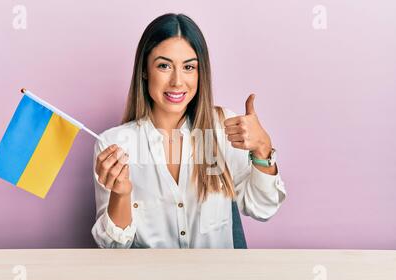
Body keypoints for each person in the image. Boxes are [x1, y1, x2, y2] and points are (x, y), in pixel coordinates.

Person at [91, 13, 286, 248]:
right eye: (164, 66)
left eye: (189, 67)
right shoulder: (114, 144)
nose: (177, 81)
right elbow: (113, 247)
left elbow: (264, 208)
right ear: (144, 70)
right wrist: (121, 194)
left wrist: (263, 148)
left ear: (200, 72)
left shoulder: (225, 128)